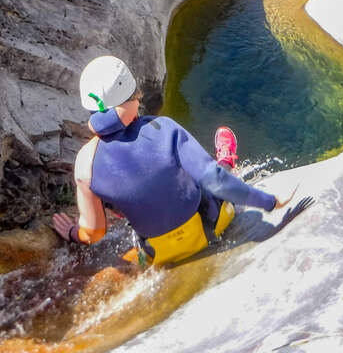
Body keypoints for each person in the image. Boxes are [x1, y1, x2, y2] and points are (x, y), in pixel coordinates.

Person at [52, 56, 297, 265]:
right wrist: (269, 202)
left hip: (160, 254)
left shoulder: (85, 162)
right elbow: (213, 181)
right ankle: (227, 160)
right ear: (133, 96)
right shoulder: (164, 128)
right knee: (208, 171)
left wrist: (73, 233)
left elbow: (93, 233)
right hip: (211, 227)